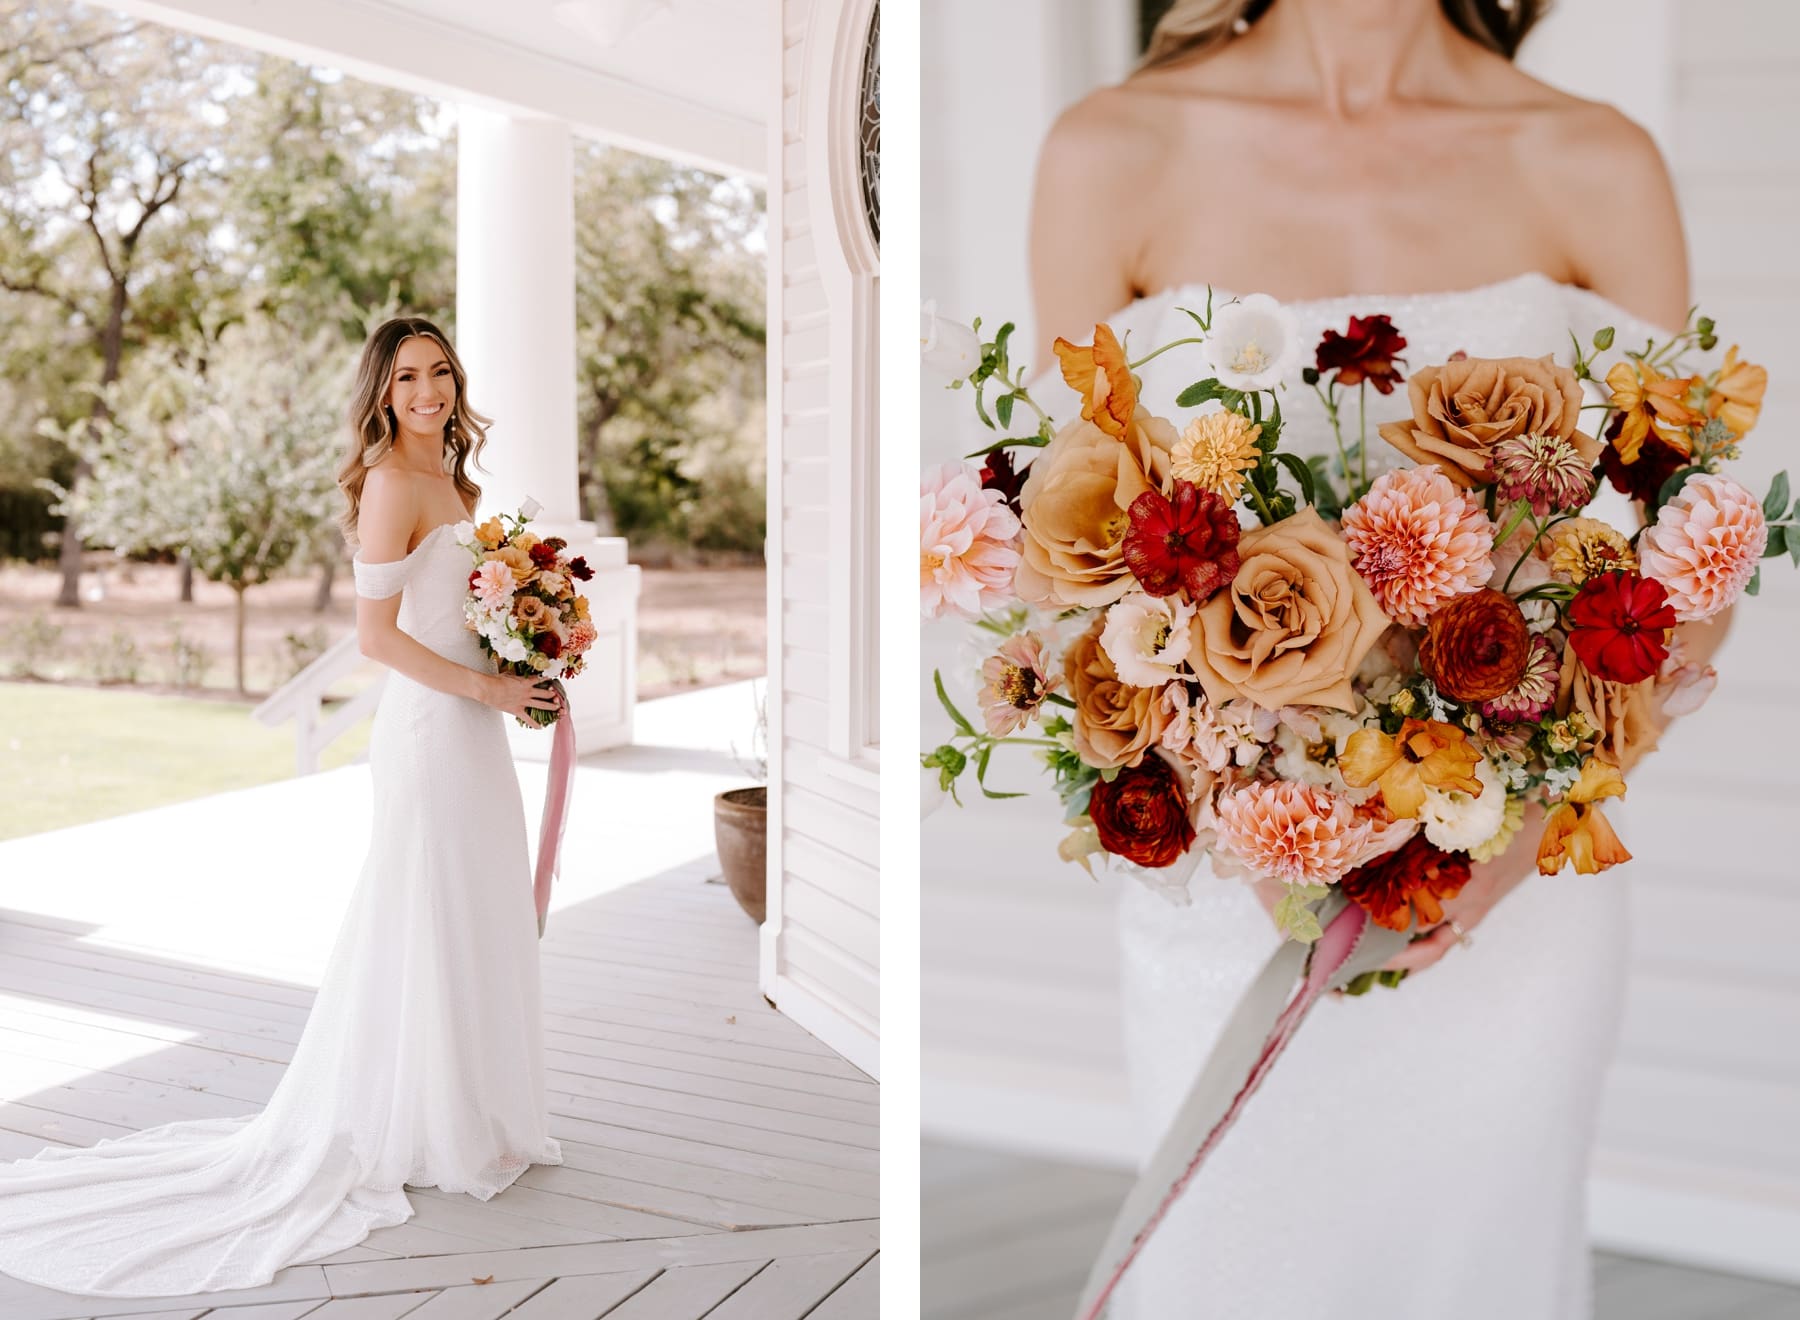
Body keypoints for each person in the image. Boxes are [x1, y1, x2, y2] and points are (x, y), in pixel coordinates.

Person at [1026, 2, 1713, 1317]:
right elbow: (1080, 538)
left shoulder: (1591, 161)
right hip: (1235, 890)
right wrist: (1221, 768)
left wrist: (1524, 821)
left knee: (1478, 1268)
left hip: (1508, 897)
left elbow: (1690, 560)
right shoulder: (1111, 153)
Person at [0, 316, 566, 1298]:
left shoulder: (461, 486)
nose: (427, 390)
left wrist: (527, 653)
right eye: (406, 378)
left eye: (439, 371)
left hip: (476, 730)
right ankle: (423, 1123)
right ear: (382, 395)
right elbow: (378, 642)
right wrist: (486, 691)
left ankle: (469, 1113)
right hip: (431, 736)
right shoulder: (390, 484)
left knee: (475, 914)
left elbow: (467, 615)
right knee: (424, 915)